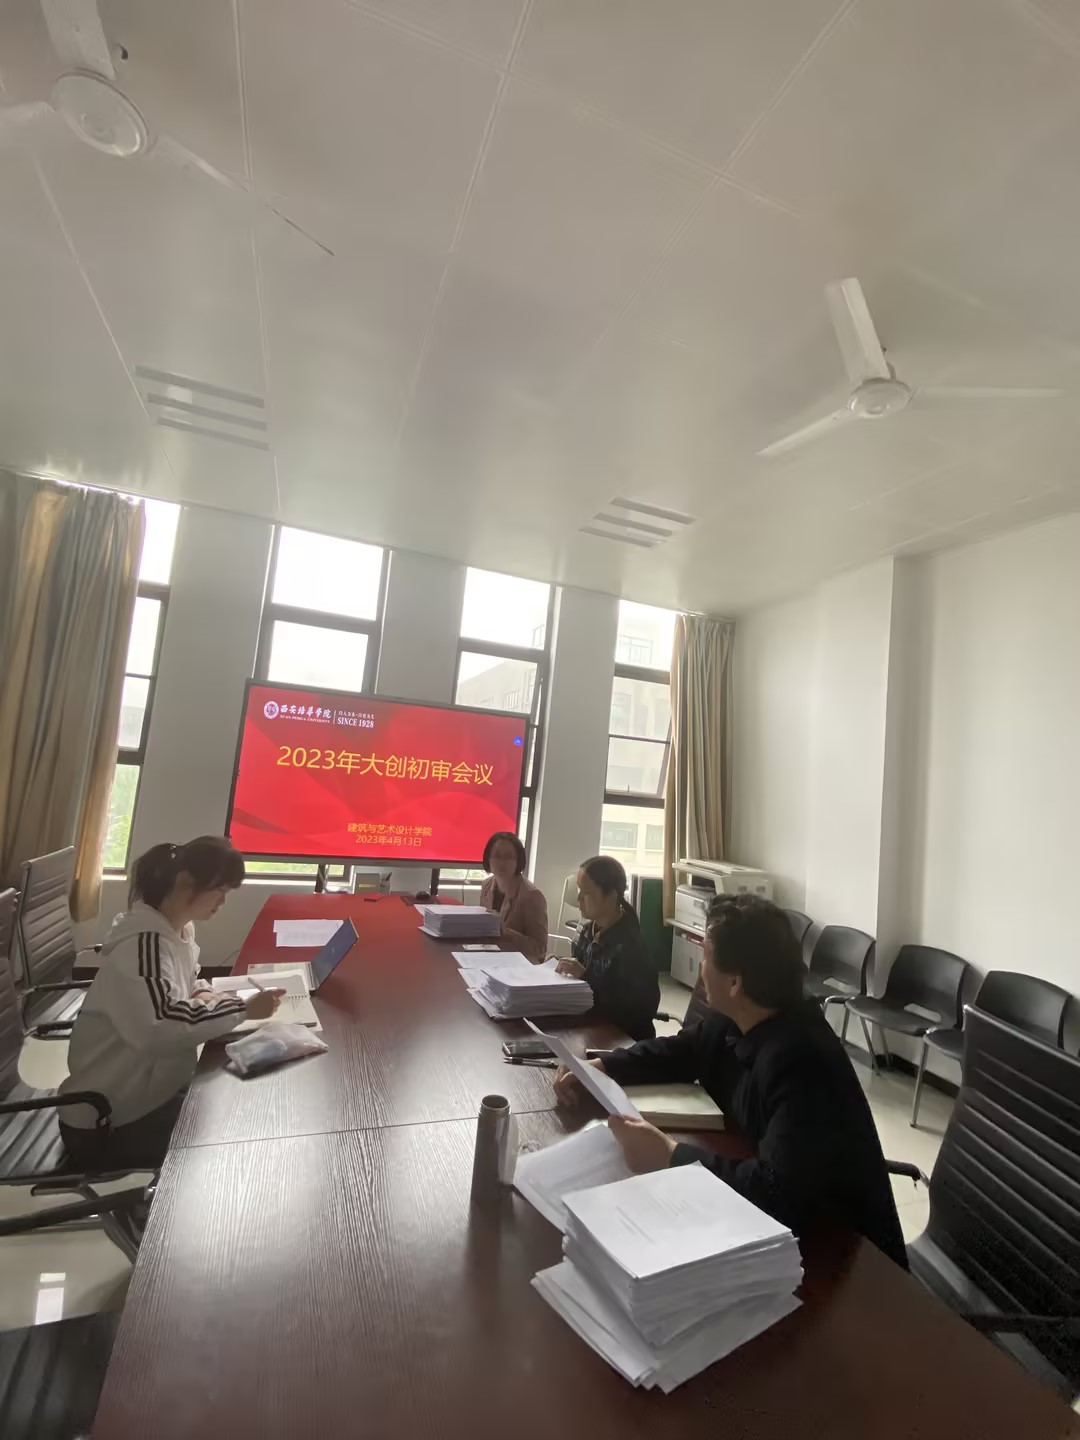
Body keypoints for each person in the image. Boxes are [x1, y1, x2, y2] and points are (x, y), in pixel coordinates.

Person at [555, 893, 907, 1268]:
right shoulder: (739, 1016)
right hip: (788, 1233)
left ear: (735, 982)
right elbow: (682, 1051)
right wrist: (603, 1066)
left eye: (706, 956)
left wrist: (670, 1156)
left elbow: (779, 1193)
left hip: (850, 1262)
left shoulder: (802, 1060)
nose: (700, 969)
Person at [58, 837, 282, 1170]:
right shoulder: (144, 947)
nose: (223, 901)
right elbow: (161, 1024)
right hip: (110, 1121)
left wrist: (202, 992)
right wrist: (242, 1008)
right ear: (185, 883)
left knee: (239, 1104)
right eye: (219, 890)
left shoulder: (177, 931)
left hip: (150, 1092)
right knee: (237, 1134)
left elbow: (186, 982)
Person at [555, 855, 659, 1041]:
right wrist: (561, 966)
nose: (578, 898)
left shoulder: (631, 946)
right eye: (579, 889)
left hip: (621, 1039)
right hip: (587, 1025)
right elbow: (580, 972)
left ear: (611, 896)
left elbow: (641, 1010)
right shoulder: (587, 930)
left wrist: (587, 977)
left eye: (586, 892)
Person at [478, 831, 548, 962]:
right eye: (497, 856)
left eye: (508, 857)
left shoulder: (532, 896)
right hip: (491, 957)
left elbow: (540, 950)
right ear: (488, 858)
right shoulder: (487, 885)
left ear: (518, 860)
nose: (502, 862)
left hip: (520, 964)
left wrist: (505, 933)